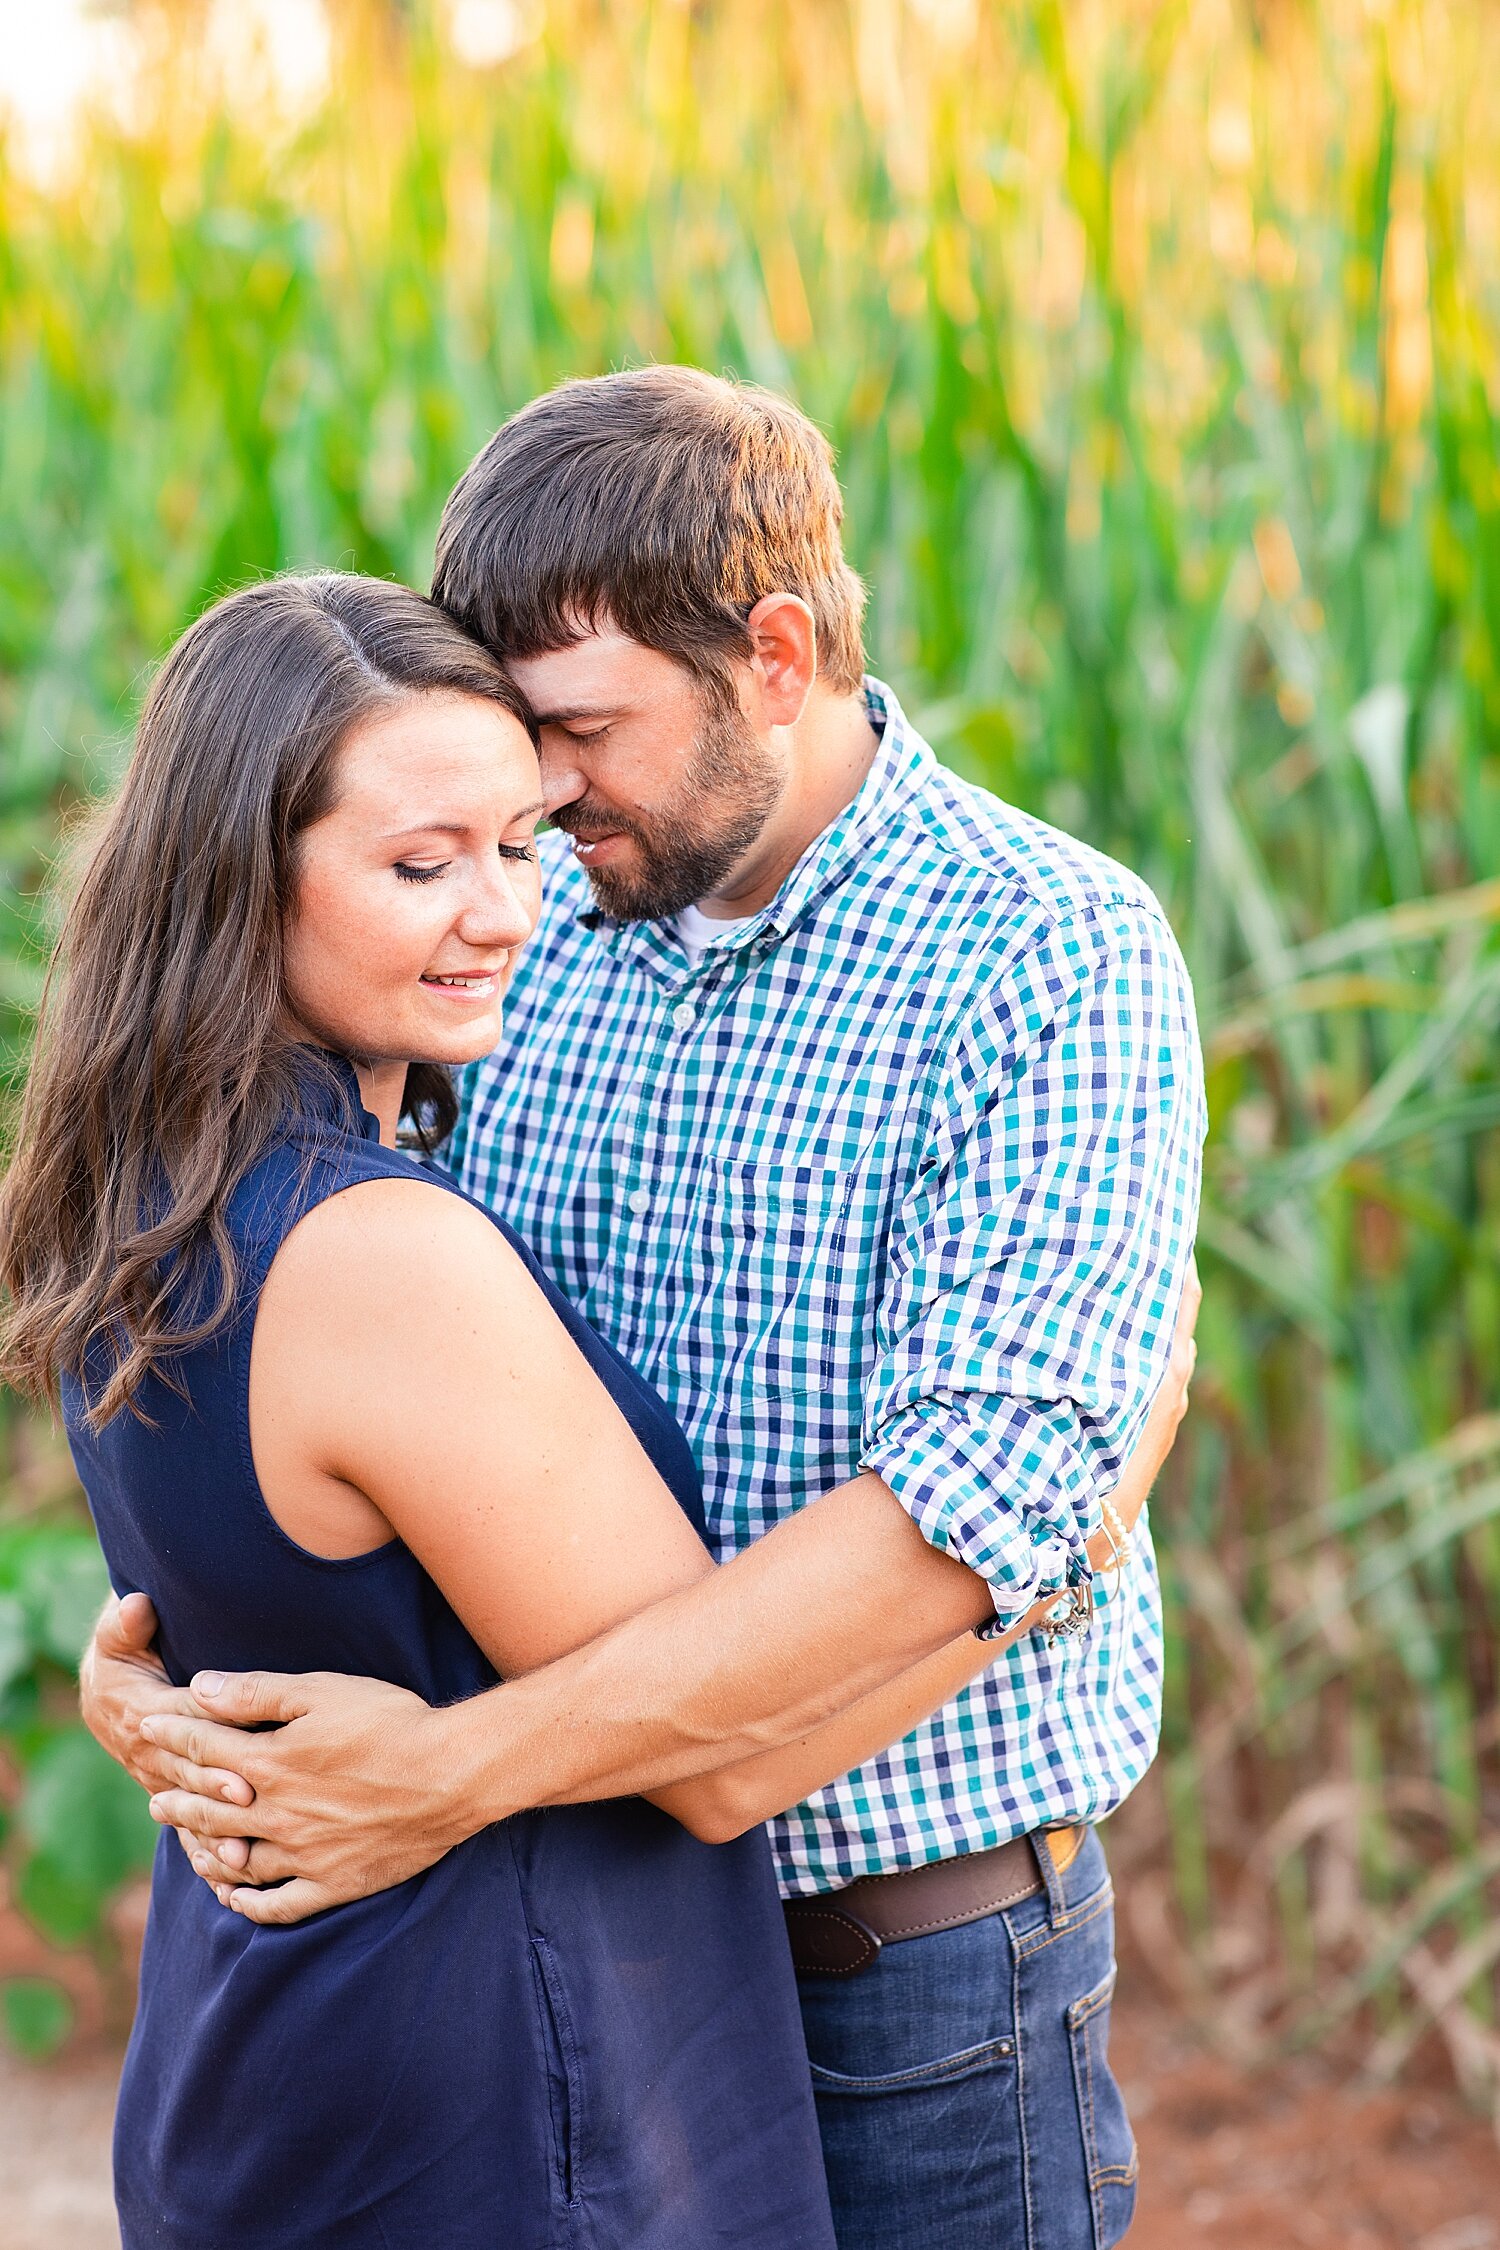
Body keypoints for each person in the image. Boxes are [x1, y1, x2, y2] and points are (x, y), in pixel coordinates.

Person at [82, 372, 1205, 2250]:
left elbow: (966, 1509)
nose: (534, 807)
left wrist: (436, 1772)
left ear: (775, 652)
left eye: (579, 733)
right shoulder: (533, 933)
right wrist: (199, 1669)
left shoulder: (1045, 951)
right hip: (570, 1952)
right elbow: (357, 1369)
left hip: (909, 1983)